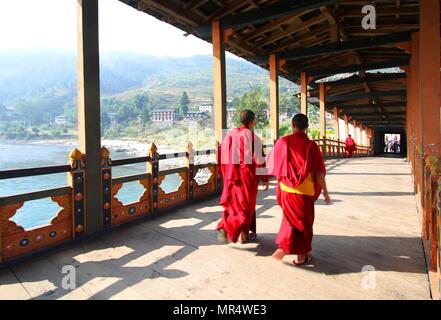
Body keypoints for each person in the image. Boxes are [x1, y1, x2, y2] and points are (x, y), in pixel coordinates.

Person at [267, 113, 331, 266]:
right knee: (304, 224)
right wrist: (326, 192)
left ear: (293, 126)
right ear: (307, 127)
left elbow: (272, 164)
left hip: (286, 191)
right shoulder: (312, 146)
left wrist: (270, 180)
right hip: (305, 193)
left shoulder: (283, 142)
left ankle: (284, 249)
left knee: (290, 222)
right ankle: (300, 256)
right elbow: (319, 174)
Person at [216, 110, 269, 244]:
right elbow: (260, 159)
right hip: (246, 178)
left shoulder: (229, 136)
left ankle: (236, 231)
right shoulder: (253, 138)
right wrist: (265, 178)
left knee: (234, 205)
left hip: (231, 177)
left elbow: (221, 155)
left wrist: (223, 172)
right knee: (246, 207)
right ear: (252, 122)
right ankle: (232, 229)